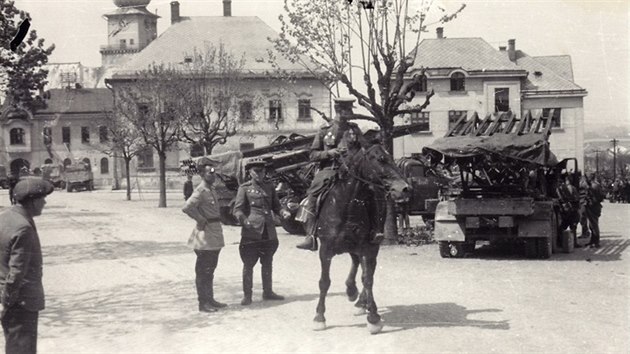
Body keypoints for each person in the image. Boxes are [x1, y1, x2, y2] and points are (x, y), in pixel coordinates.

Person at [295, 97, 375, 251]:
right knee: (313, 195)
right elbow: (313, 154)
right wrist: (330, 152)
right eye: (347, 110)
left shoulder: (355, 129)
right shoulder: (325, 130)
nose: (350, 113)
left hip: (353, 172)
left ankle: (374, 230)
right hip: (329, 170)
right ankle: (310, 236)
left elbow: (365, 149)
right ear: (339, 111)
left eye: (350, 110)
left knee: (372, 192)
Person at [0, 178, 54, 354]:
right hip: (21, 302)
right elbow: (16, 272)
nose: (44, 202)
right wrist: (7, 302)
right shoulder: (24, 228)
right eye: (42, 198)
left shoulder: (6, 217)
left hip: (9, 298)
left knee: (14, 346)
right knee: (22, 350)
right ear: (32, 201)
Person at [232, 158, 291, 306]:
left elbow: (276, 206)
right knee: (248, 263)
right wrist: (244, 221)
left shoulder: (269, 186)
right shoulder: (244, 188)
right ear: (250, 172)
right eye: (256, 171)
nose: (260, 174)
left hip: (268, 232)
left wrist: (283, 212)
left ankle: (268, 292)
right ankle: (247, 295)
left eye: (262, 171)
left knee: (267, 262)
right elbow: (237, 210)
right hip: (251, 232)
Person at [182, 157, 227, 313]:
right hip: (205, 236)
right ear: (201, 174)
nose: (213, 176)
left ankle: (210, 299)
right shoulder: (200, 191)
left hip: (214, 233)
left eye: (214, 173)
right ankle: (203, 303)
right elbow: (187, 207)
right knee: (203, 271)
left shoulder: (211, 189)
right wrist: (200, 219)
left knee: (211, 269)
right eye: (209, 173)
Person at [556, 174, 581, 247]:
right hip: (572, 209)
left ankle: (560, 242)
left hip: (565, 209)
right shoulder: (573, 188)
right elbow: (576, 199)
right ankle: (574, 243)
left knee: (563, 226)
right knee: (573, 227)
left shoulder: (560, 188)